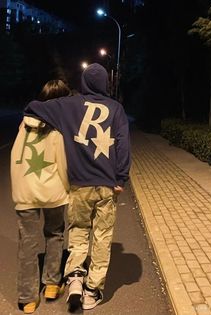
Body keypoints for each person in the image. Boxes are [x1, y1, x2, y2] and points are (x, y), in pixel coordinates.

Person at [23, 63, 131, 311]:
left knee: (79, 231)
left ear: (83, 83)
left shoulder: (68, 105)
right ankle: (92, 290)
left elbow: (32, 107)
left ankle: (74, 279)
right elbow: (124, 146)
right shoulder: (116, 109)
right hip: (106, 185)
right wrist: (120, 178)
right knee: (102, 237)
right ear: (105, 83)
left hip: (78, 184)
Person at [11, 79, 71, 314]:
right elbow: (63, 165)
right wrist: (68, 189)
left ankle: (27, 298)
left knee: (27, 242)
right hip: (52, 191)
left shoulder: (23, 125)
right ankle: (52, 284)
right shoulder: (57, 130)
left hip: (23, 191)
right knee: (54, 234)